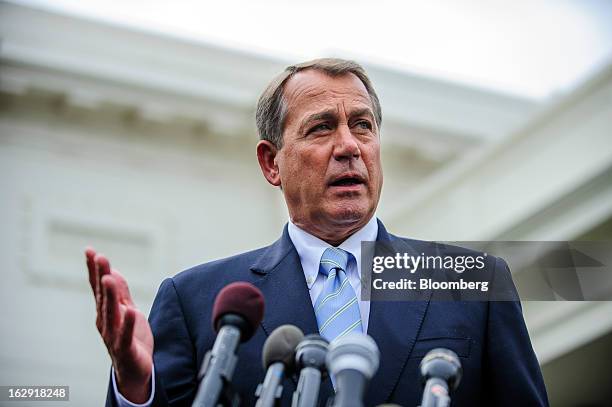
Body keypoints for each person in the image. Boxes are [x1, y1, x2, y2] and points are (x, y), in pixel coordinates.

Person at [86, 58, 549, 406]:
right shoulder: (197, 303)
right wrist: (133, 385)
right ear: (272, 163)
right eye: (321, 128)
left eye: (362, 126)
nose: (349, 146)